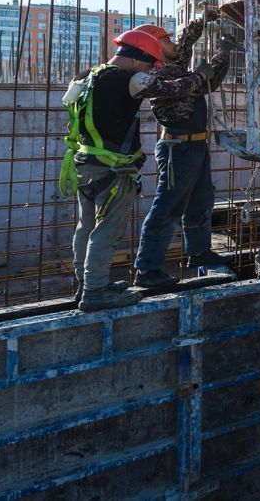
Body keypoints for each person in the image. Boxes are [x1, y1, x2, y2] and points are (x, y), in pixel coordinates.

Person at [59, 30, 213, 311]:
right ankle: (95, 292)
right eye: (148, 64)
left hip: (84, 164)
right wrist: (202, 74)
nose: (150, 70)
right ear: (135, 58)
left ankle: (86, 284)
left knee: (86, 228)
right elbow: (177, 89)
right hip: (112, 170)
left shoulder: (85, 76)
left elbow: (71, 105)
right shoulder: (129, 78)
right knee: (106, 231)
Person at [131, 9, 234, 289]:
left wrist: (204, 22)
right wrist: (203, 71)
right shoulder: (154, 73)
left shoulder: (175, 61)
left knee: (202, 200)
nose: (173, 41)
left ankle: (198, 250)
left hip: (196, 144)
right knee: (169, 205)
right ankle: (147, 268)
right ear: (153, 44)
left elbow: (189, 46)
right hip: (178, 147)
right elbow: (188, 86)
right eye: (166, 38)